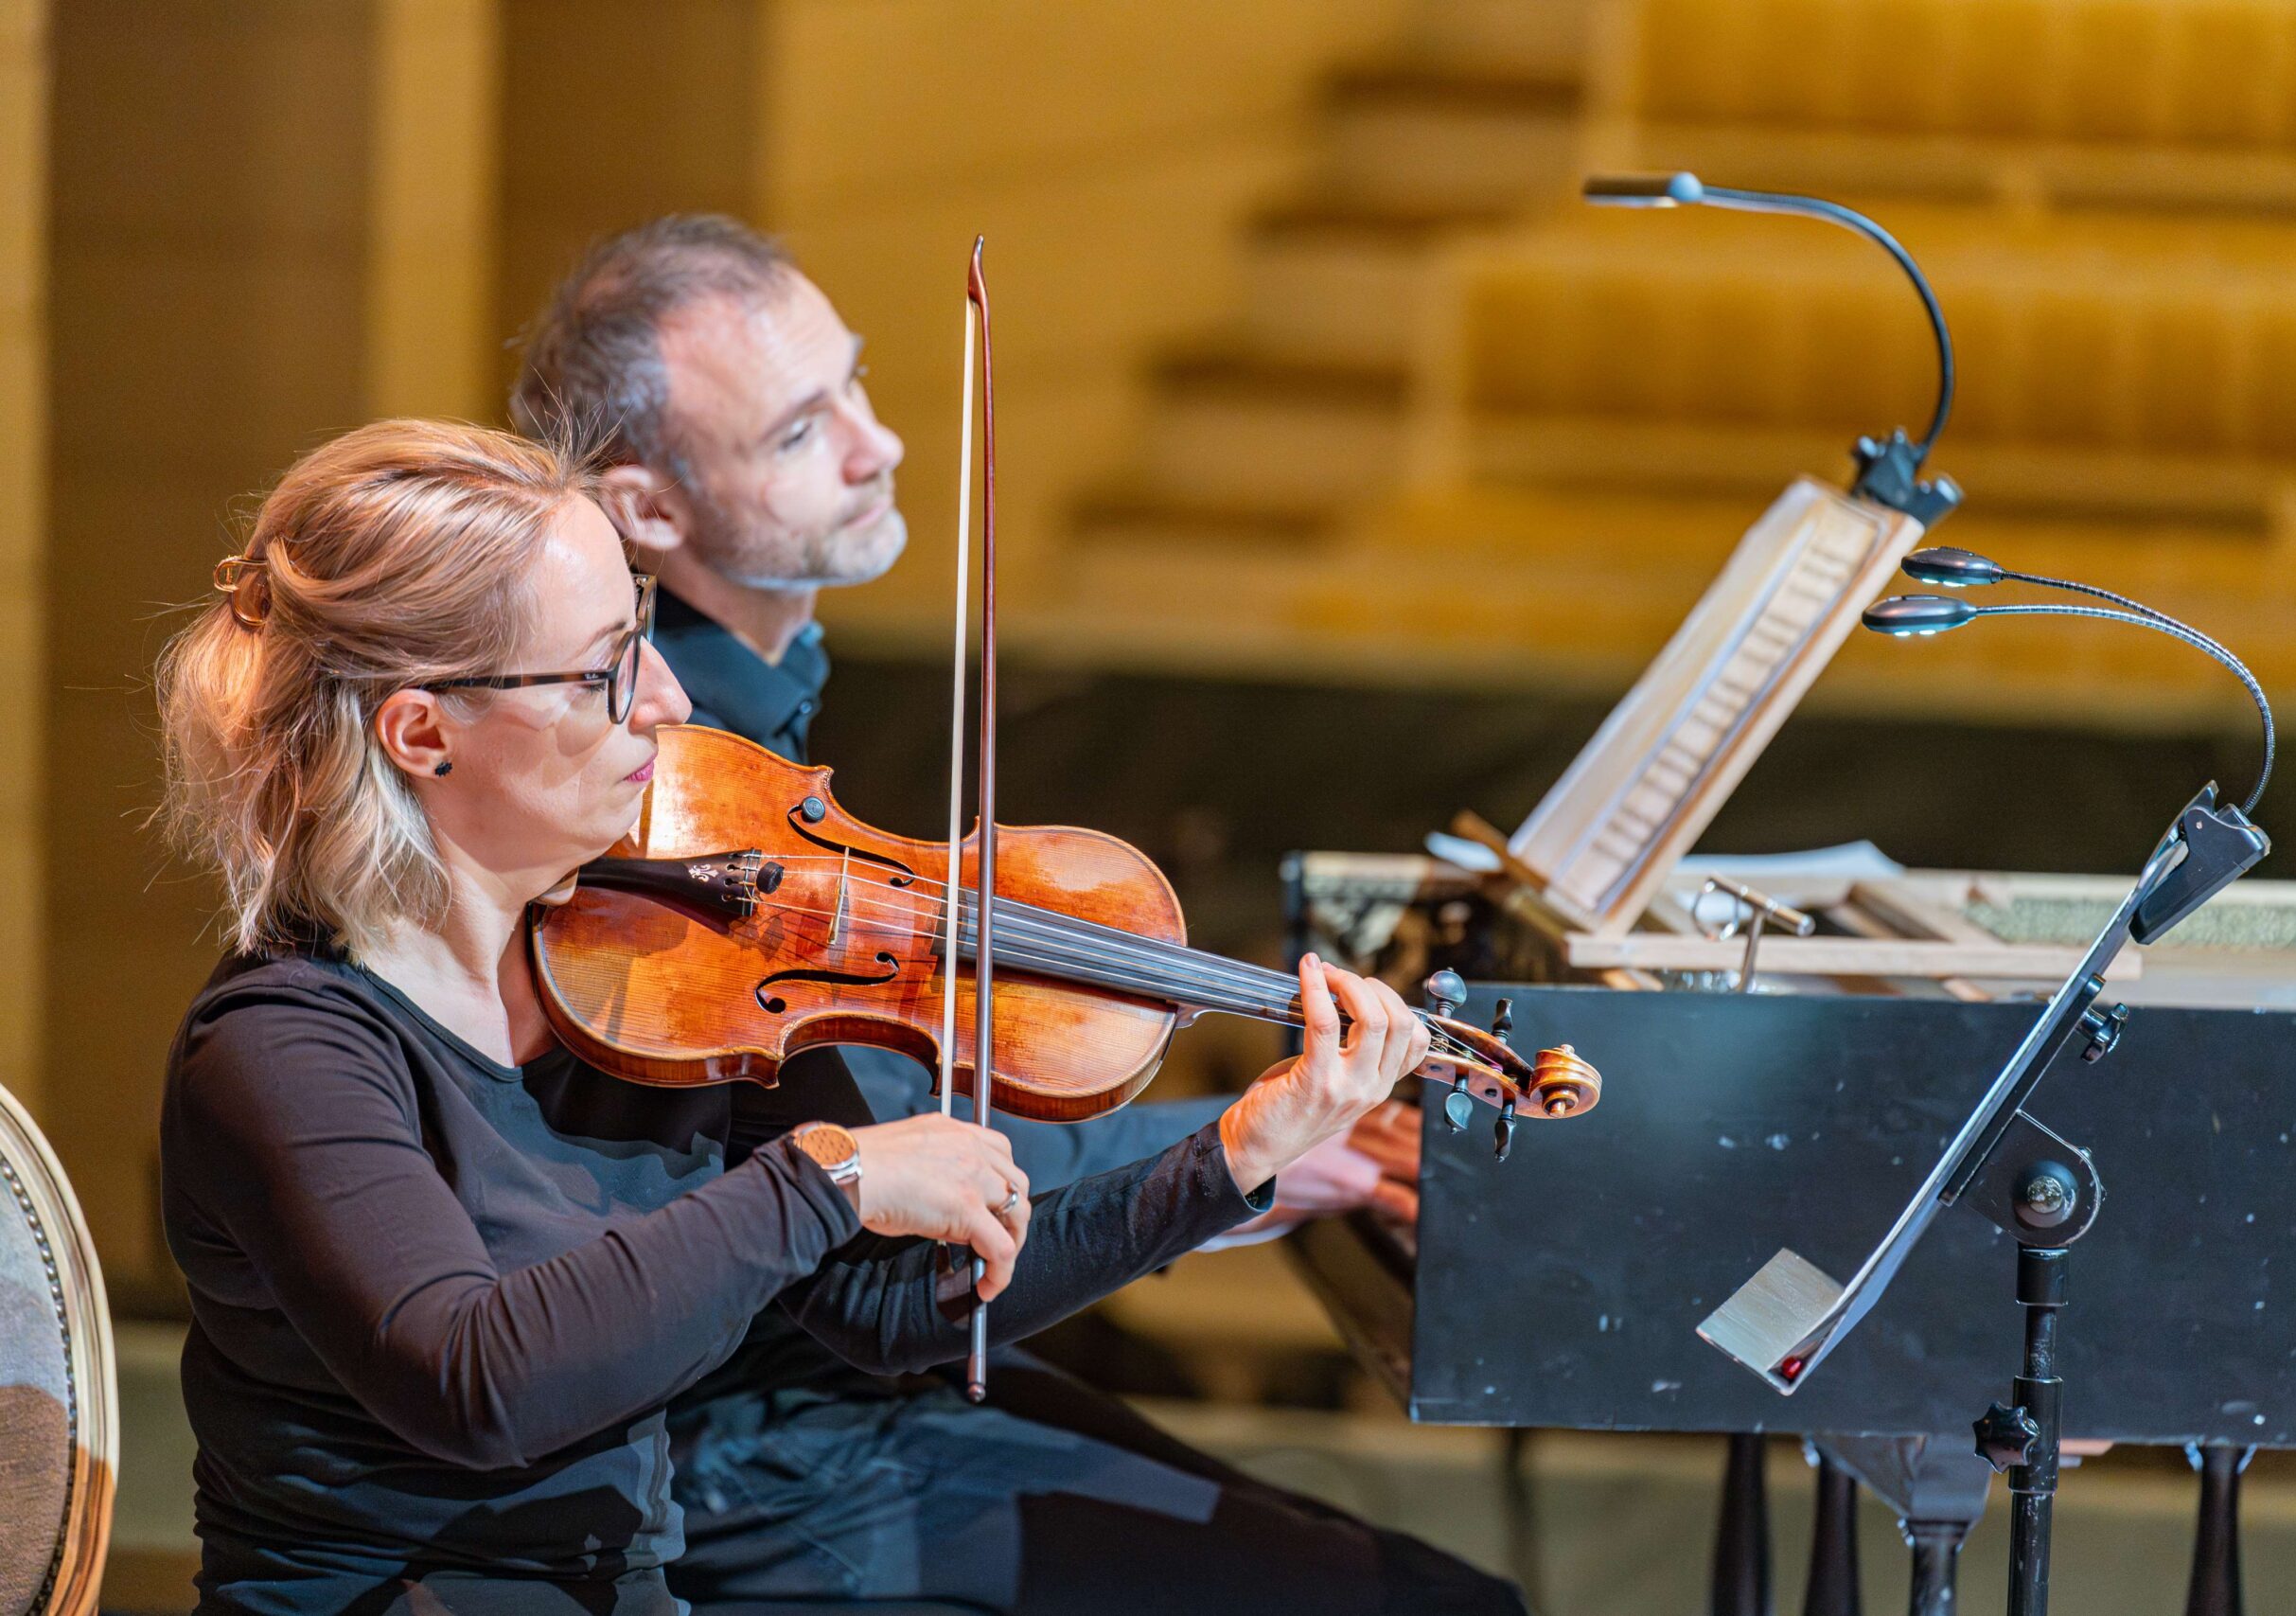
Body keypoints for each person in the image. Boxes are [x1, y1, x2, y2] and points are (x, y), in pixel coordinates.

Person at [153, 418, 1455, 1613]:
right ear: (424, 733)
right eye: (602, 670)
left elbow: (889, 1307)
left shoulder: (663, 968)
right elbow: (481, 1382)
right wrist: (830, 1177)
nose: (663, 699)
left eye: (643, 632)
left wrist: (1239, 1154)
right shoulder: (286, 1048)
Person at [509, 218, 1477, 1611]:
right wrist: (1234, 1157)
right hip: (755, 1456)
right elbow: (883, 1199)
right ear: (647, 513)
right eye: (799, 433)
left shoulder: (771, 736)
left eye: (854, 384)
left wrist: (1250, 1159)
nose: (878, 443)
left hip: (842, 1393)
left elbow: (920, 1090)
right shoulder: (661, 812)